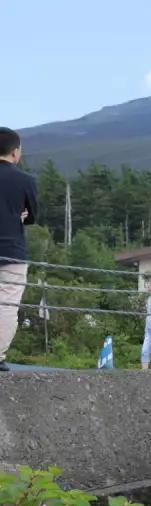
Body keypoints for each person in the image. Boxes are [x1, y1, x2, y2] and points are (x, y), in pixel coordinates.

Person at [0, 128, 37, 372]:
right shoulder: (25, 180)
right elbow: (32, 215)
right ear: (15, 152)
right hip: (12, 252)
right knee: (6, 306)